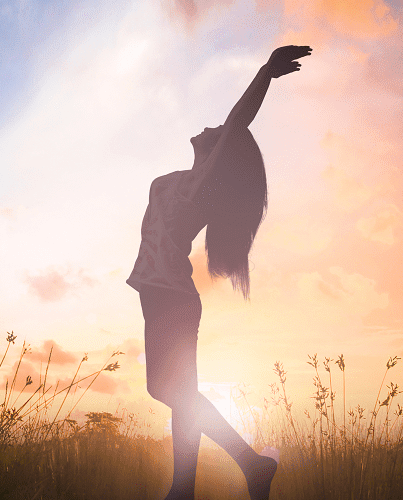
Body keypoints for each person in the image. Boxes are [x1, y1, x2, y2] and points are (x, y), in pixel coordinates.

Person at [127, 45, 312, 500]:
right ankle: (184, 488)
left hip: (170, 295)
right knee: (179, 394)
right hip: (160, 294)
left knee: (166, 390)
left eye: (216, 131)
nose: (209, 127)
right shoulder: (179, 179)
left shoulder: (202, 185)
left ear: (219, 153)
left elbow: (236, 122)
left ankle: (250, 464)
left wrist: (265, 74)